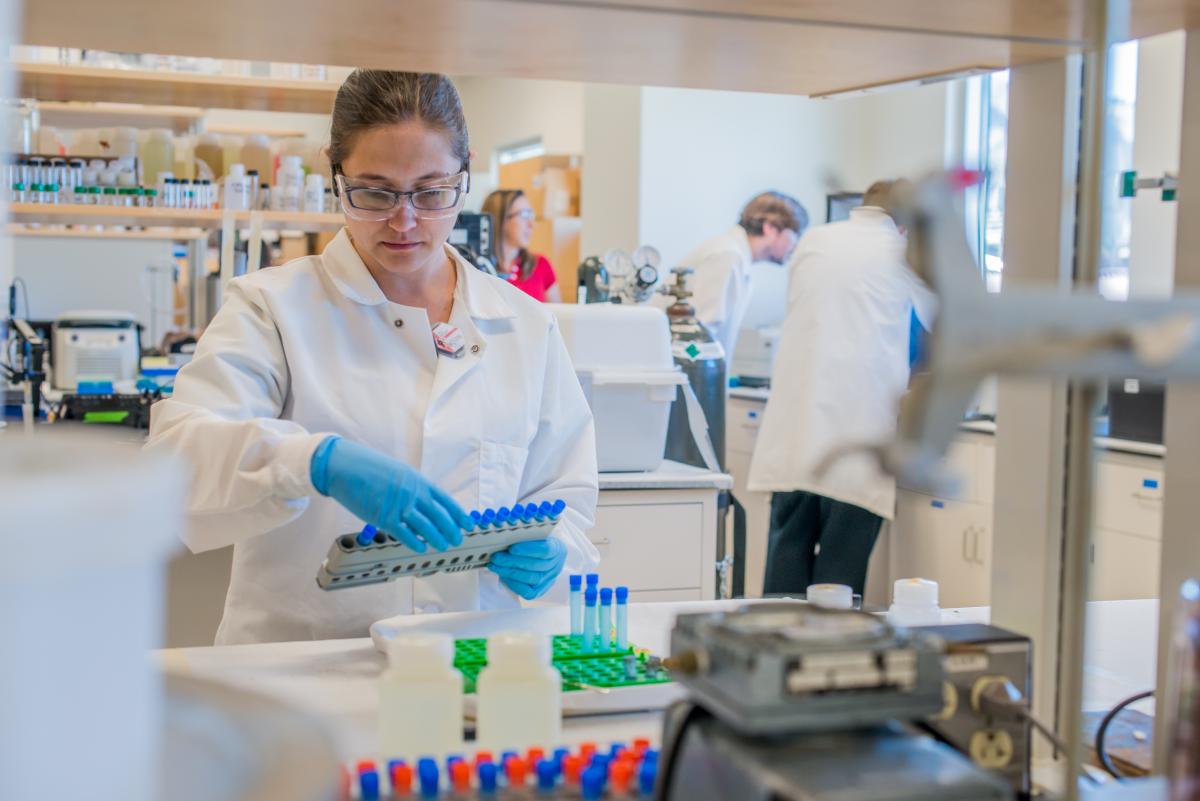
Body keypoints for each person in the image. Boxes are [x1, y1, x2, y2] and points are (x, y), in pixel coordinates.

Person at [146, 70, 600, 645]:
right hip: (307, 673)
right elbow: (176, 460)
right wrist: (312, 462)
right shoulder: (271, 309)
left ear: (466, 173)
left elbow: (569, 496)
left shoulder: (526, 326)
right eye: (375, 191)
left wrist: (557, 548)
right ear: (333, 173)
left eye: (432, 192)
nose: (404, 220)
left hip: (478, 668)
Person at [747, 179, 936, 595]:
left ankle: (772, 653)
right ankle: (826, 657)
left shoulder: (814, 241)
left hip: (795, 435)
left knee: (785, 567)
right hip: (857, 434)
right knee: (837, 578)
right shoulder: (904, 252)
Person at [676, 191, 807, 360]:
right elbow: (698, 337)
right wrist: (694, 369)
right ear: (770, 228)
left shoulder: (733, 256)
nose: (795, 246)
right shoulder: (727, 255)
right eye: (795, 235)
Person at [481, 189, 562, 302]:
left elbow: (558, 317)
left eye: (531, 215)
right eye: (524, 215)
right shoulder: (477, 270)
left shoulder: (541, 265)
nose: (531, 224)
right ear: (501, 220)